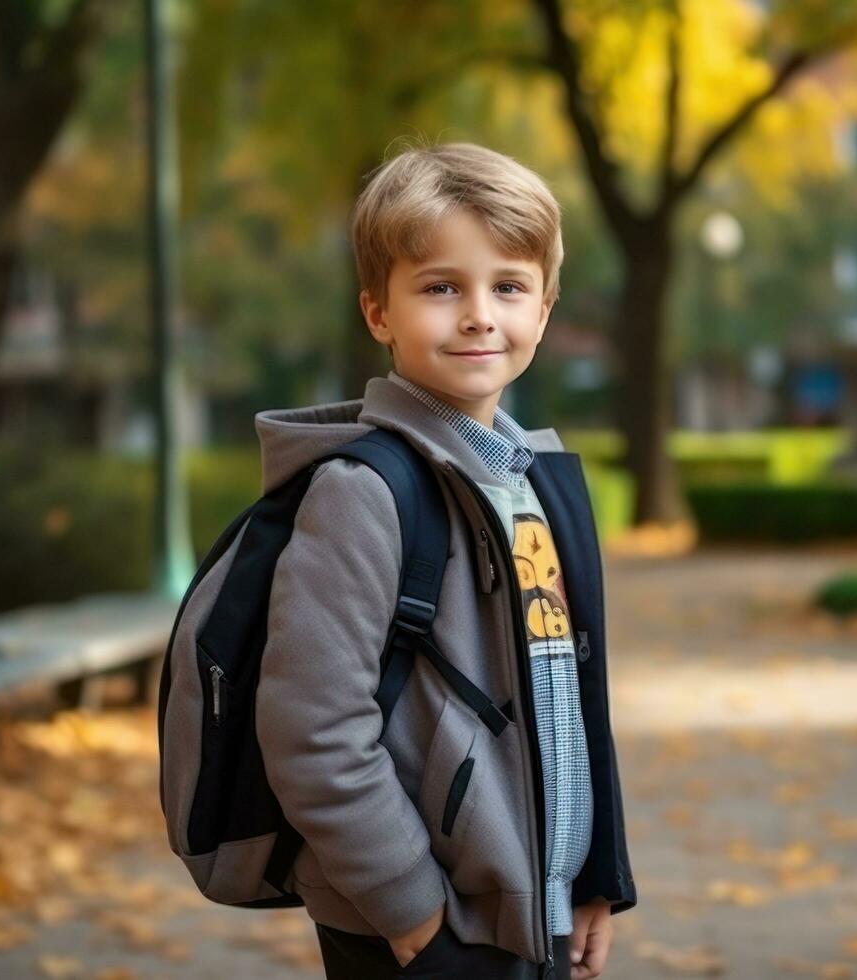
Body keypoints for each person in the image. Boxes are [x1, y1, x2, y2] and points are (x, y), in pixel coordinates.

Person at [253, 140, 636, 979]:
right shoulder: (363, 491)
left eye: (508, 285)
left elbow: (570, 691)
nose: (478, 314)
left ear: (544, 307)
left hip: (535, 905)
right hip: (427, 928)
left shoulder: (533, 479)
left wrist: (593, 876)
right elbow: (311, 729)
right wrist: (412, 914)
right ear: (377, 313)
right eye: (440, 287)